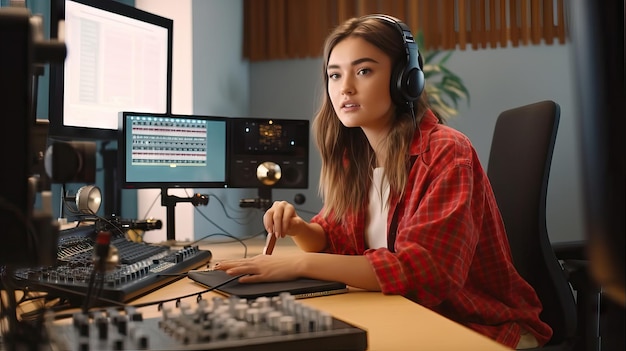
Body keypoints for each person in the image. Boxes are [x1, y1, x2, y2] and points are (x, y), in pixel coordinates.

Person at [214, 14, 552, 349]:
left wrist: (299, 264)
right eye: (335, 75)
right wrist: (298, 227)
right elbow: (332, 239)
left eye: (363, 71)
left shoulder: (447, 152)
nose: (344, 87)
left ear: (406, 80)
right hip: (411, 313)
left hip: (475, 325)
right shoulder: (358, 158)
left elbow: (427, 273)